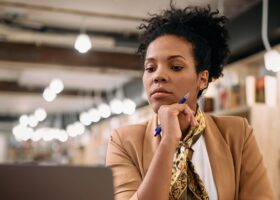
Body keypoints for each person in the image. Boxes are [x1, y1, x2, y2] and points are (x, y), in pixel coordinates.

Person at [106, 4, 274, 200]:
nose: (158, 75)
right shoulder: (124, 141)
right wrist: (168, 143)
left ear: (202, 79)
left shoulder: (237, 134)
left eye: (176, 67)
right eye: (150, 68)